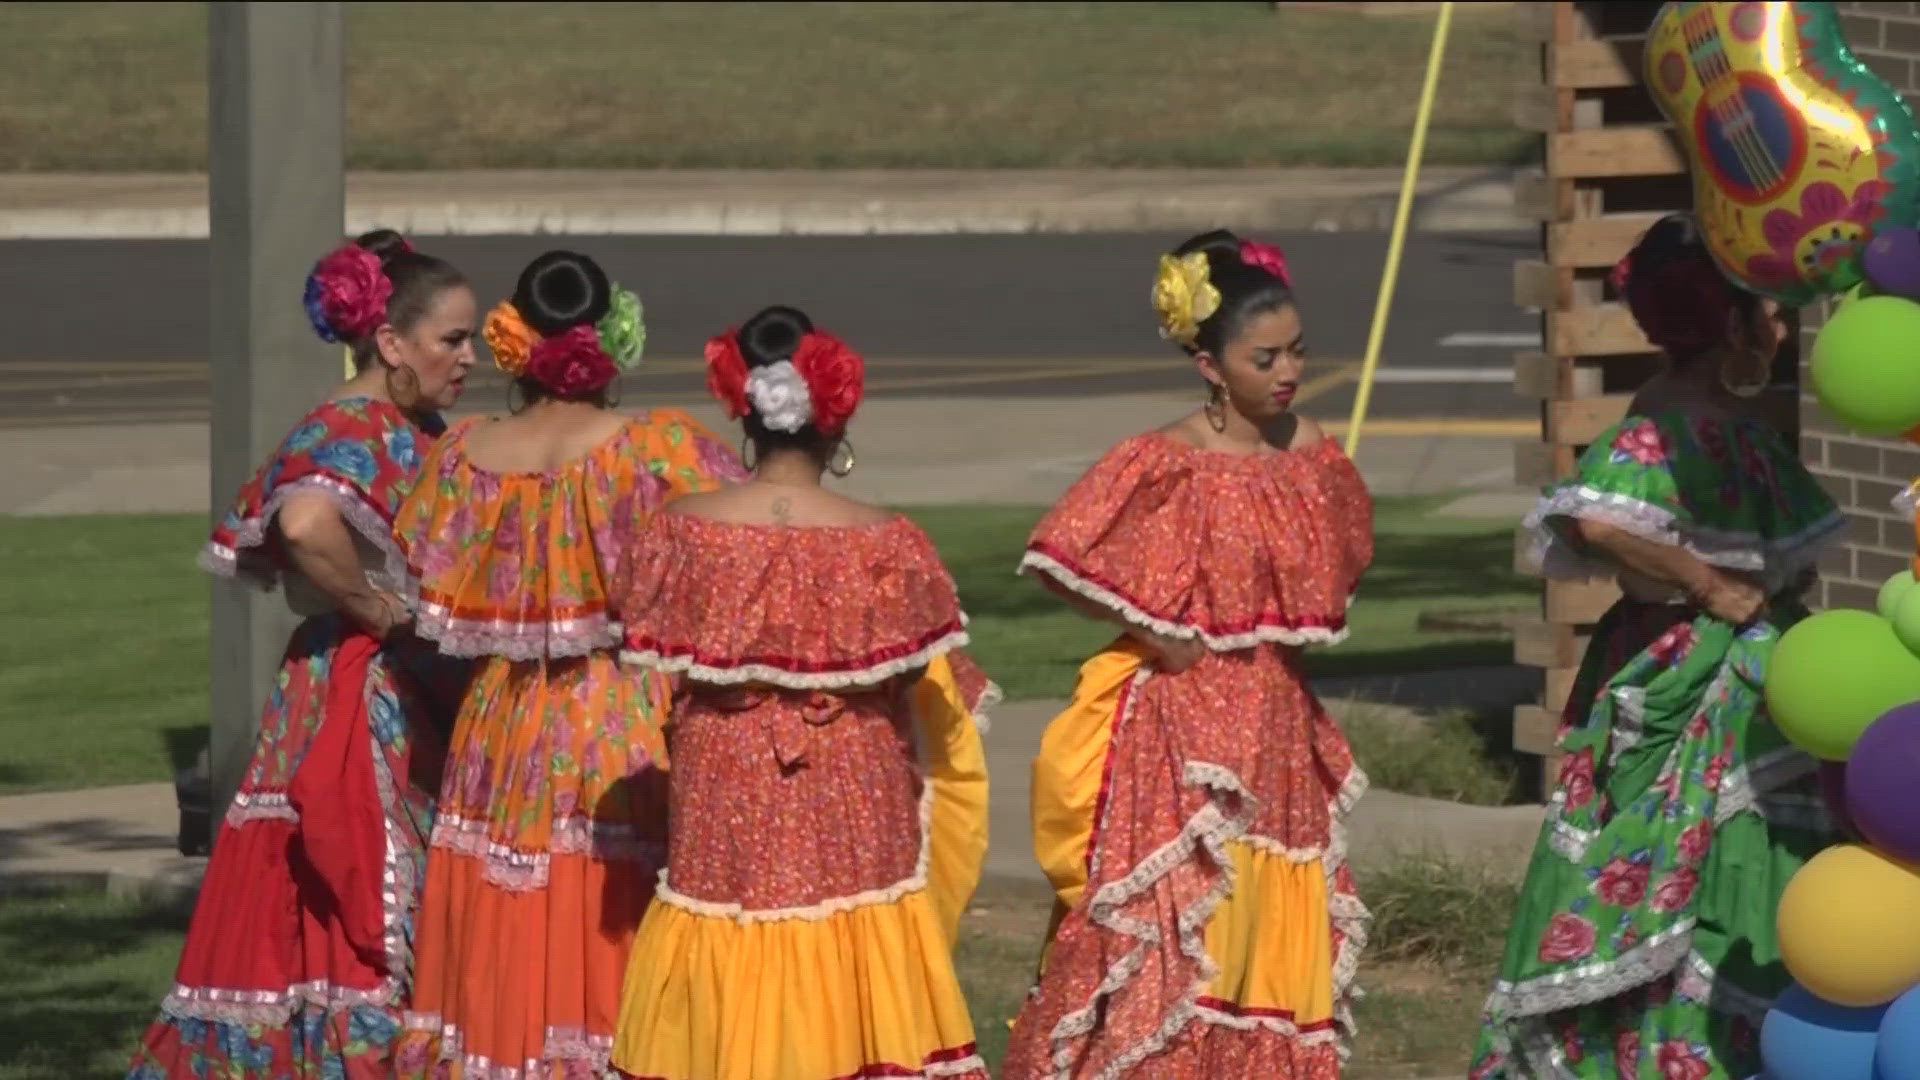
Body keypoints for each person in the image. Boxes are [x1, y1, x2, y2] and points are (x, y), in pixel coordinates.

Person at [1468, 214, 1846, 1078]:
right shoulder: (1669, 428)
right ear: (1732, 325)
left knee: (1728, 863)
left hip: (1748, 684)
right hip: (1695, 683)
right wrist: (1708, 585)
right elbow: (1596, 518)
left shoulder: (1724, 426)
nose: (1782, 330)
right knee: (1697, 861)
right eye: (1771, 314)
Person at [1000, 230, 1374, 1078]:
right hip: (1181, 736)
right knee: (1176, 932)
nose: (1287, 372)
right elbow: (1060, 552)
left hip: (1278, 727)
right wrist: (1159, 631)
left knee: (1262, 940)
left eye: (1297, 353)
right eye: (1264, 357)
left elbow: (1340, 566)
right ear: (1211, 365)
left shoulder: (1310, 455)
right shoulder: (1168, 460)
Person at [608, 305, 994, 1080]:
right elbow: (922, 676)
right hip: (851, 780)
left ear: (745, 413)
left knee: (728, 932)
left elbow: (644, 646)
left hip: (726, 777)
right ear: (835, 418)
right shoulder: (885, 541)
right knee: (852, 945)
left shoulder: (679, 531)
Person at [389, 250, 748, 1078]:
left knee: (507, 911)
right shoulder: (657, 449)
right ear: (616, 333)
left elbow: (414, 578)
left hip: (501, 724)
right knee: (608, 903)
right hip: (621, 716)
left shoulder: (469, 456)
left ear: (514, 340)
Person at [127, 230, 476, 1079]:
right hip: (364, 697)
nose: (468, 357)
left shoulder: (409, 424)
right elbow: (306, 522)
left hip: (400, 687)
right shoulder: (346, 426)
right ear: (392, 342)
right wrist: (377, 608)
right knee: (365, 892)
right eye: (452, 340)